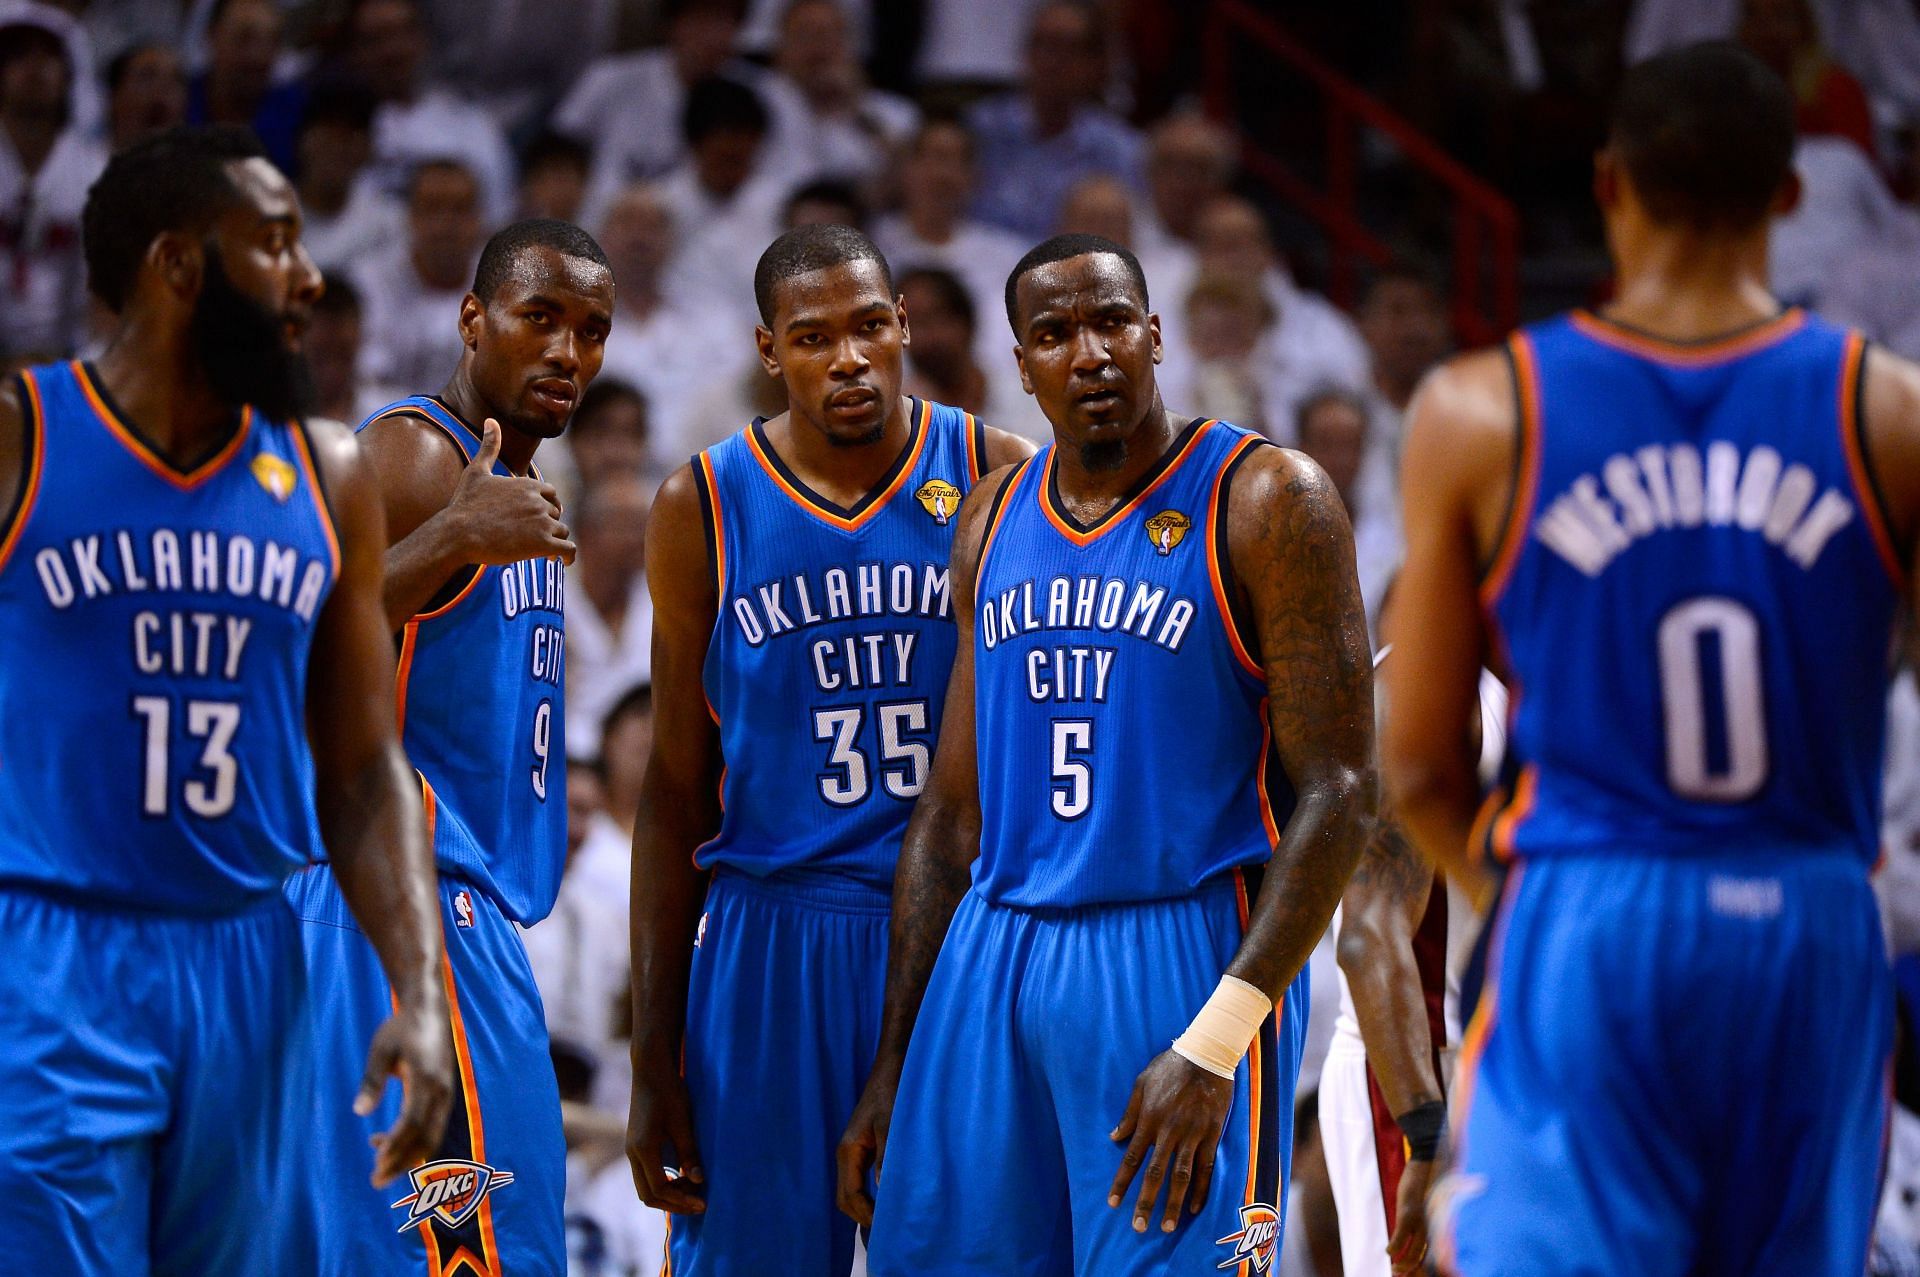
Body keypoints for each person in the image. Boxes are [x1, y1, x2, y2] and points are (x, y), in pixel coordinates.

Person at [1384, 42, 1920, 1276]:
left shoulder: (1484, 408)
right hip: (1809, 913)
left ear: (1609, 183)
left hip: (1596, 902)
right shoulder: (1883, 409)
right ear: (1791, 194)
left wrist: (1529, 900)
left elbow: (1416, 765)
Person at [845, 232, 1376, 1275]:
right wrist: (895, 1059)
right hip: (993, 951)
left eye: (1110, 322)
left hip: (1175, 948)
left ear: (1155, 334)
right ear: (1022, 359)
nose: (1089, 353)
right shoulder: (992, 516)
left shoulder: (1270, 497)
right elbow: (952, 817)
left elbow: (1343, 791)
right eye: (1055, 333)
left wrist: (1217, 1038)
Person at [0, 123, 451, 1273]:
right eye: (276, 244)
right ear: (178, 266)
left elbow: (361, 766)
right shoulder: (24, 434)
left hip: (256, 959)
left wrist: (416, 988)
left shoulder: (325, 471)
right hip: (56, 953)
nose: (309, 277)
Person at [627, 224, 1033, 1275]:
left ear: (904, 327)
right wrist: (653, 1052)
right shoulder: (703, 503)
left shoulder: (996, 471)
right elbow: (675, 789)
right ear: (770, 351)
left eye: (868, 327)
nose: (847, 357)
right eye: (813, 337)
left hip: (952, 929)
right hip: (770, 936)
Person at [284, 217, 613, 1273]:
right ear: (474, 320)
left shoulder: (509, 475)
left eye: (593, 330)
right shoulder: (417, 452)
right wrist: (453, 537)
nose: (568, 352)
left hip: (467, 906)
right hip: (401, 903)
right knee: (463, 1251)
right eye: (542, 318)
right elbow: (296, 648)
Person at [1321, 640, 1503, 1277]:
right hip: (1411, 1075)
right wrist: (1424, 1136)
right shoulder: (1416, 689)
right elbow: (1368, 938)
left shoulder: (1548, 684)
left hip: (1503, 1062)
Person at [965, 0, 1143, 239]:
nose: (1052, 62)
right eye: (1043, 45)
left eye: (1067, 48)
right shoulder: (978, 129)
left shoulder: (1119, 150)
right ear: (1025, 54)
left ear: (1096, 64)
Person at [0, 10, 105, 362]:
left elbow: (102, 297)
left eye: (48, 56)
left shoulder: (95, 170)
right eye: (18, 55)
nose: (34, 67)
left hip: (69, 361)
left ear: (68, 75)